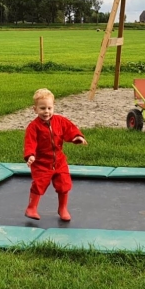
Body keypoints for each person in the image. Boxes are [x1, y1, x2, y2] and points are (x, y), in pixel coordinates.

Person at [23, 88, 87, 221]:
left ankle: (62, 208)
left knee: (64, 184)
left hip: (59, 161)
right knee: (39, 184)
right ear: (35, 109)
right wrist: (30, 155)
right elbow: (30, 142)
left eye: (49, 108)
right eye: (42, 108)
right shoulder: (33, 127)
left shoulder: (60, 121)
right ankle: (31, 208)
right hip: (41, 162)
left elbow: (70, 129)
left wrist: (77, 137)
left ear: (53, 107)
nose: (46, 111)